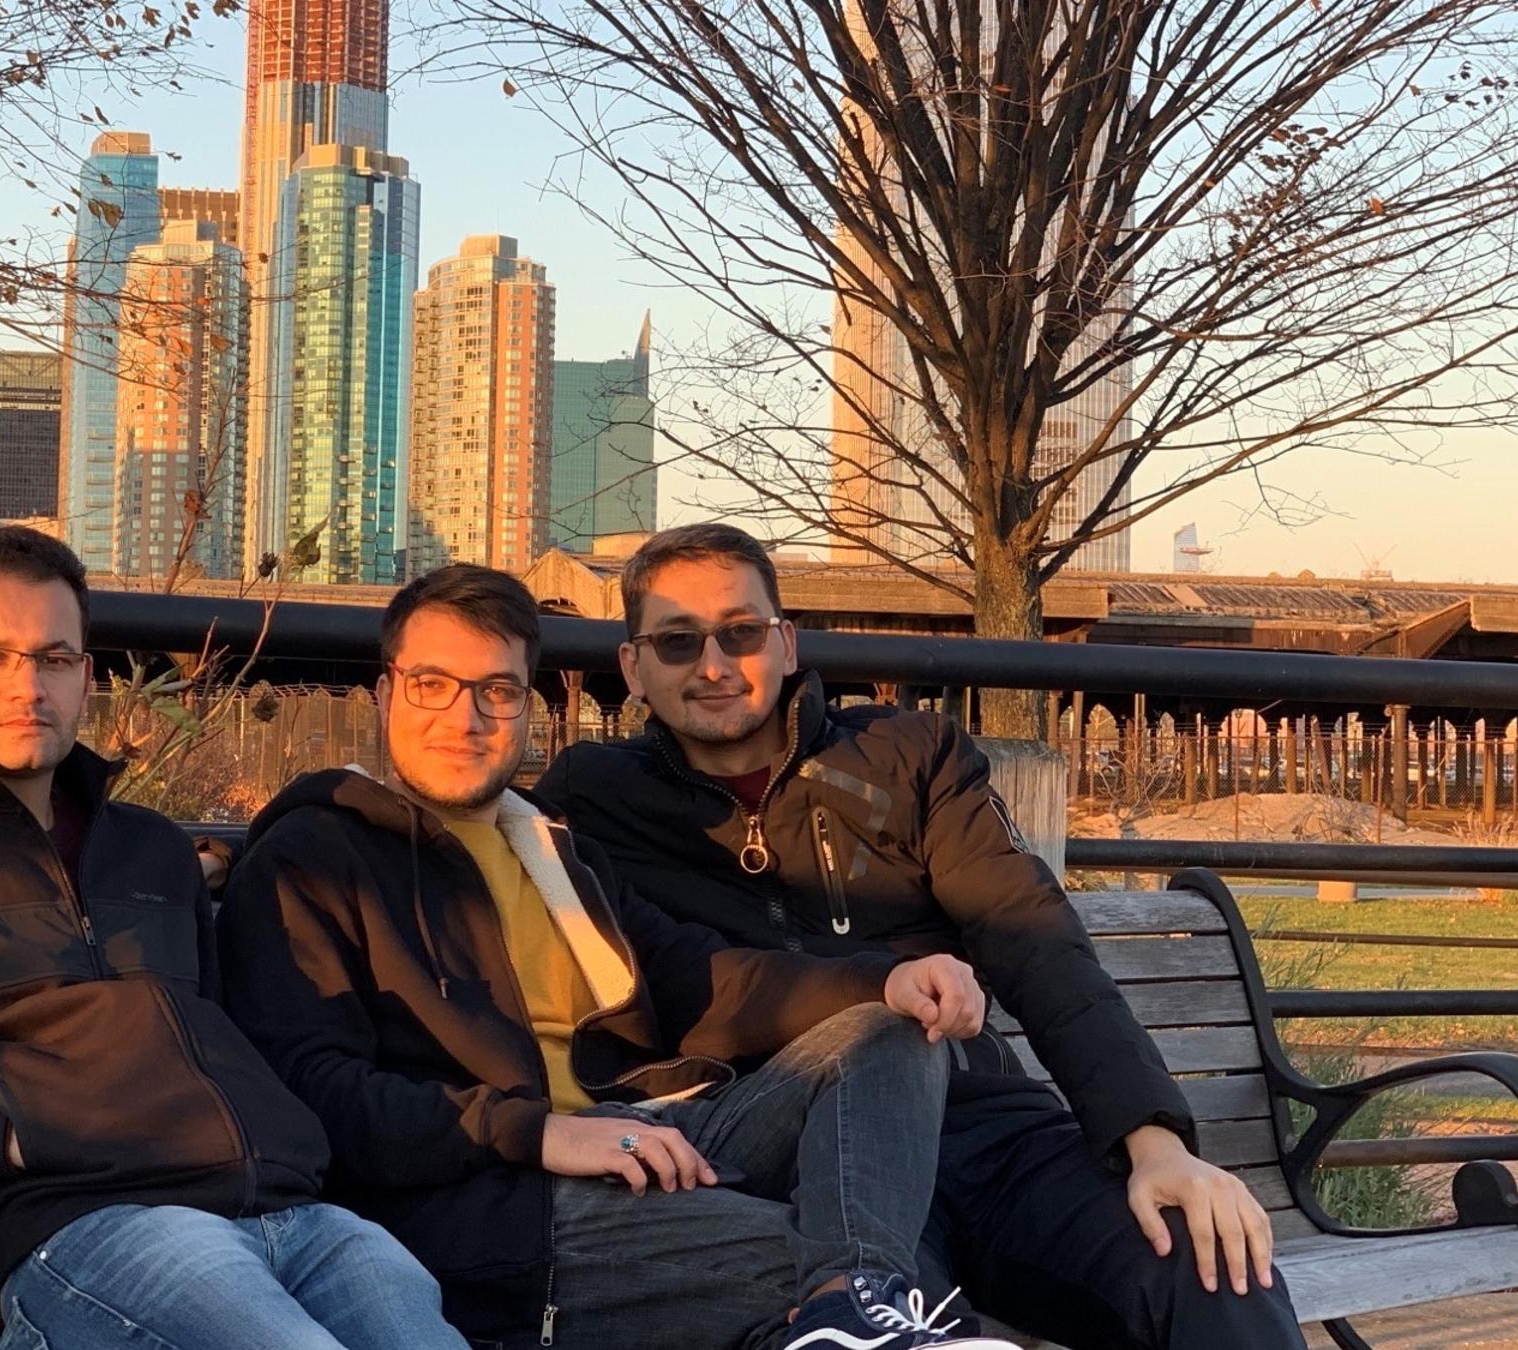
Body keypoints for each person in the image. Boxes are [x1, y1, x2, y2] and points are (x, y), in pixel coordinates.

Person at [535, 523, 1309, 1350]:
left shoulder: (907, 755)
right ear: (634, 668)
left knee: (1212, 1264)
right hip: (793, 1161)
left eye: (741, 632)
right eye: (679, 642)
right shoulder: (590, 800)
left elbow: (1037, 944)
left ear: (786, 642)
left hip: (977, 1122)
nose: (715, 665)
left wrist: (1155, 1145)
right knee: (913, 1333)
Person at [219, 563, 1021, 1350]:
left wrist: (882, 979)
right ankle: (856, 1305)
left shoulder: (550, 846)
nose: (465, 719)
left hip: (645, 1132)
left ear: (526, 707)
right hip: (493, 1203)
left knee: (889, 1033)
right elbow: (313, 1093)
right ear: (387, 691)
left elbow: (698, 976)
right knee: (843, 1266)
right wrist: (538, 1133)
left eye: (497, 691)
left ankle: (851, 1307)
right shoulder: (311, 856)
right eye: (434, 684)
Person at [0, 526, 467, 1350]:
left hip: (292, 1218)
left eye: (54, 658)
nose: (28, 685)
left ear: (85, 678)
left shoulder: (154, 850)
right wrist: (13, 1140)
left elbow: (216, 1038)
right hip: (96, 1231)